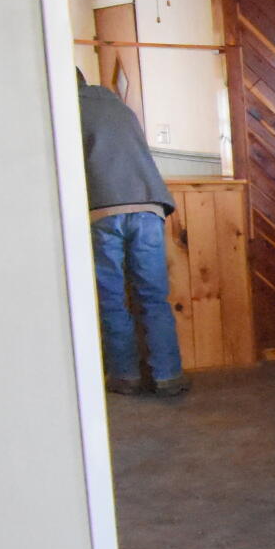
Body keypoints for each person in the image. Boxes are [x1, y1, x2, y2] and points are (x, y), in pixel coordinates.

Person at [78, 76, 188, 397]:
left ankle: (125, 376)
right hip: (149, 206)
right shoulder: (120, 108)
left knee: (112, 298)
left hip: (103, 210)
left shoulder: (70, 111)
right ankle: (168, 375)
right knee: (153, 297)